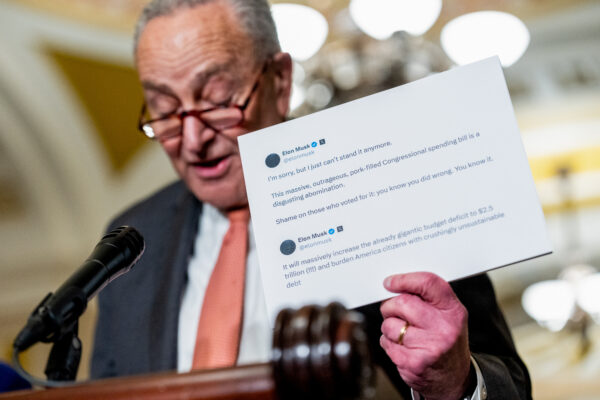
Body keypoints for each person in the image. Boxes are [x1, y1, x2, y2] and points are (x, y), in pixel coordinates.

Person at [91, 1, 532, 399]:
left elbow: (508, 384)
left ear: (281, 81)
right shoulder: (131, 240)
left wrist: (454, 383)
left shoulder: (397, 187)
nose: (192, 139)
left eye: (218, 98)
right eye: (164, 108)